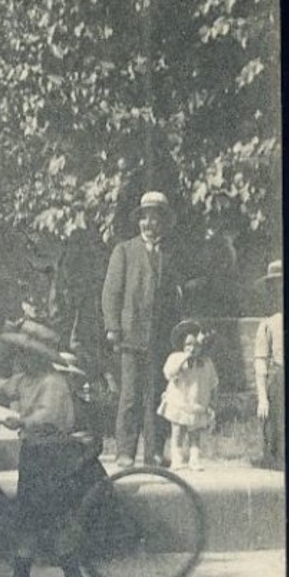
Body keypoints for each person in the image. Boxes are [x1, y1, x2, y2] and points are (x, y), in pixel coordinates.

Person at [0, 320, 105, 577]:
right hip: (35, 455)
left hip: (54, 457)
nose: (19, 359)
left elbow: (49, 417)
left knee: (44, 521)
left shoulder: (53, 383)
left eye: (24, 354)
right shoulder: (26, 379)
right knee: (31, 521)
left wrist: (22, 421)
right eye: (18, 353)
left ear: (40, 357)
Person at [101, 190, 185, 466]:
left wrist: (179, 336)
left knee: (157, 396)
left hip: (160, 340)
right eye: (145, 219)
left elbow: (175, 300)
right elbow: (111, 293)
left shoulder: (170, 256)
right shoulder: (124, 251)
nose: (150, 224)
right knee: (130, 396)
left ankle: (154, 451)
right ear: (139, 222)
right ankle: (125, 451)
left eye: (155, 219)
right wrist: (113, 327)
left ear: (164, 222)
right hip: (130, 337)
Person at [158, 320, 218, 471]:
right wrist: (184, 358)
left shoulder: (206, 362)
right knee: (177, 430)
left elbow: (213, 383)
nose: (192, 349)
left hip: (196, 403)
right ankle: (177, 459)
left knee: (195, 433)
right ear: (182, 346)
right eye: (188, 345)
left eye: (196, 345)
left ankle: (194, 459)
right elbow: (169, 373)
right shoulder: (175, 358)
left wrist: (212, 402)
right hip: (178, 401)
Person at [253, 259, 284, 470]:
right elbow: (261, 362)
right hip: (280, 380)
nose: (279, 291)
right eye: (273, 287)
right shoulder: (268, 324)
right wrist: (263, 398)